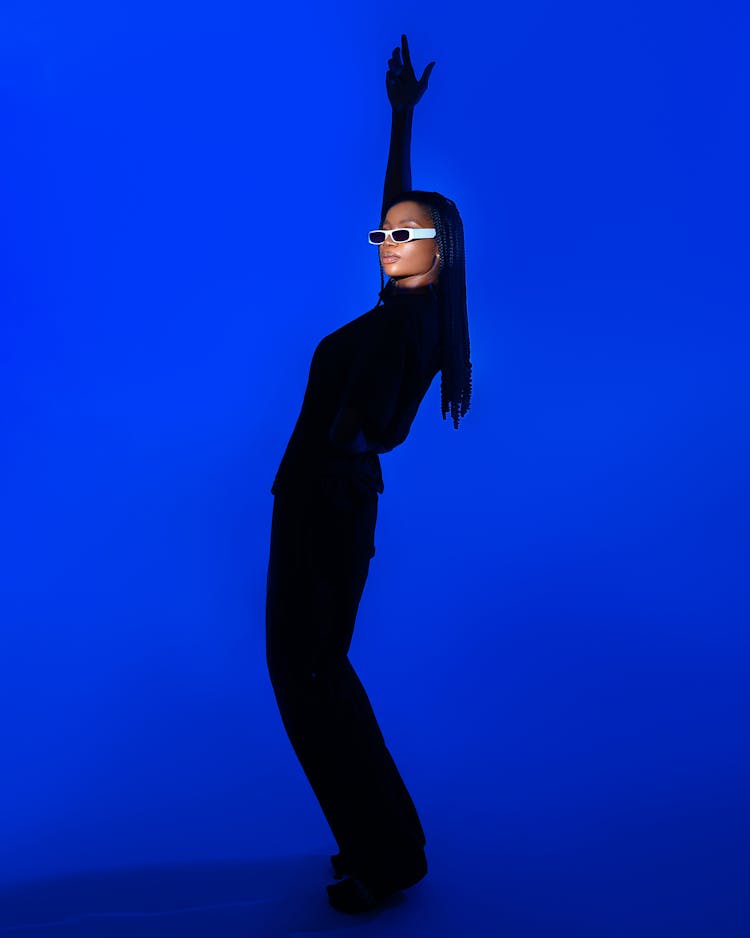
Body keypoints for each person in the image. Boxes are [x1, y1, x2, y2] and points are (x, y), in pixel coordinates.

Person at [265, 34, 472, 915]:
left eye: (409, 234)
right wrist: (401, 117)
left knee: (311, 677)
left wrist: (342, 438)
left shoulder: (404, 327)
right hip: (327, 501)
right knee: (316, 675)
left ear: (439, 251)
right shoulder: (407, 306)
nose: (391, 237)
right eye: (389, 231)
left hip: (328, 504)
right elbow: (400, 201)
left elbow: (378, 427)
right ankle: (383, 845)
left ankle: (385, 858)